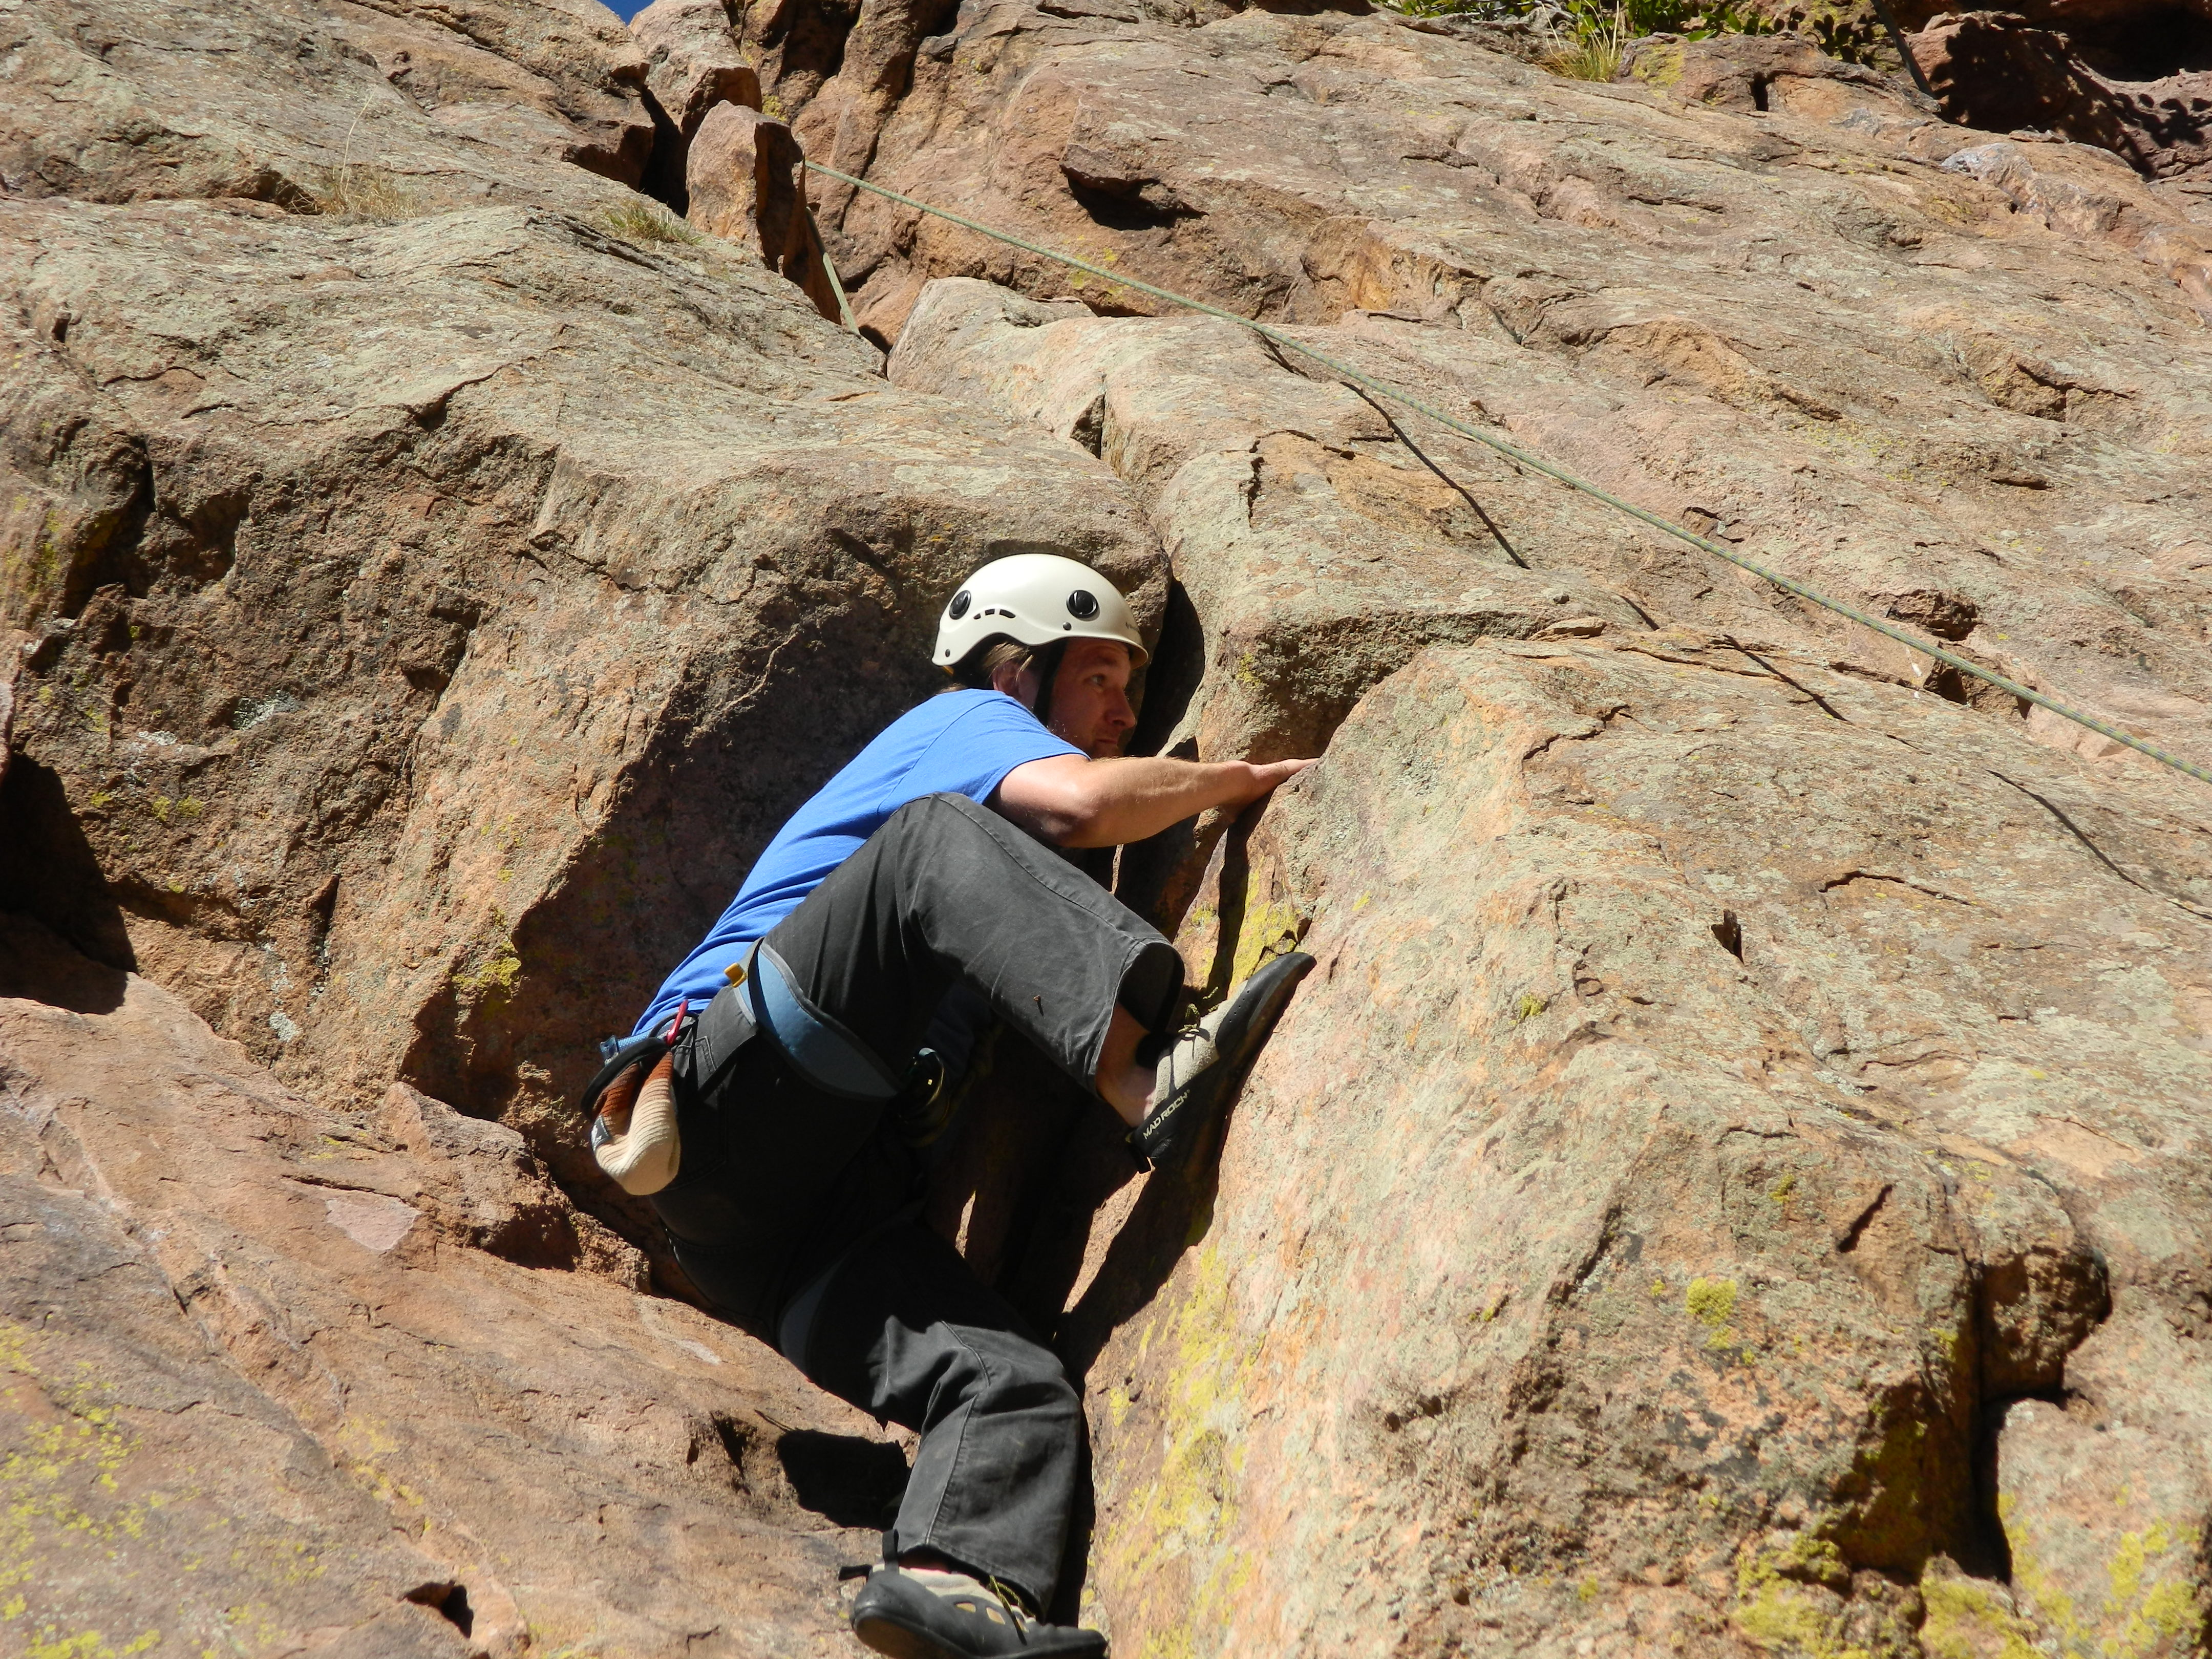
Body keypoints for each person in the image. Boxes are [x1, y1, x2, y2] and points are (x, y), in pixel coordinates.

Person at [589, 553, 1315, 1659]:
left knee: (1012, 1378)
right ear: (1018, 672)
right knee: (930, 843)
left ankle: (955, 1583)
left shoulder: (995, 865)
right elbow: (1075, 805)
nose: (1125, 712)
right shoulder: (963, 722)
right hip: (729, 1080)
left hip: (773, 1238)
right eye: (1101, 680)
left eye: (1131, 687)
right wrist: (1229, 781)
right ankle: (1143, 1075)